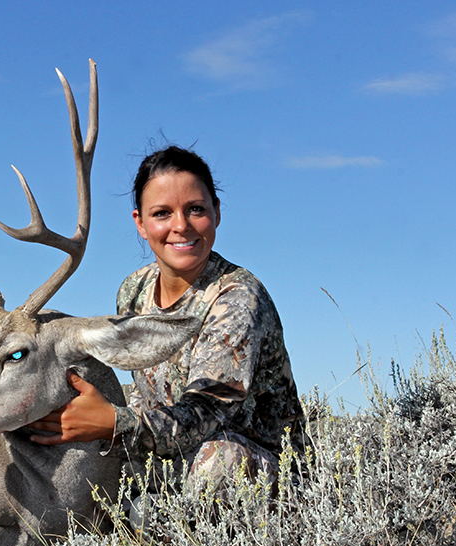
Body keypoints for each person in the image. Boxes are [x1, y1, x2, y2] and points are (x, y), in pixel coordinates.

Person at [29, 145, 305, 487]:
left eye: (196, 209)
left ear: (216, 213)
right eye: (162, 213)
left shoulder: (237, 297)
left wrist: (114, 423)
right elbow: (145, 395)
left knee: (219, 460)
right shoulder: (134, 290)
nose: (181, 226)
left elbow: (205, 415)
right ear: (140, 223)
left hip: (256, 472)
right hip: (170, 456)